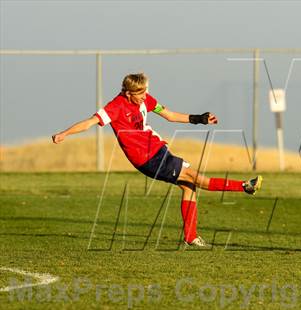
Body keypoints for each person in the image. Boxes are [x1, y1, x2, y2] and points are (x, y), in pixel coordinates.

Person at [52, 72, 263, 247]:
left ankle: (191, 237)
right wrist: (64, 133)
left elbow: (169, 115)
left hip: (158, 150)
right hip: (147, 158)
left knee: (189, 187)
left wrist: (198, 118)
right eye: (140, 93)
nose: (145, 96)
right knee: (196, 177)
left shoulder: (146, 99)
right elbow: (89, 123)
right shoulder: (115, 107)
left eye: (145, 91)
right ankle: (245, 186)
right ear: (127, 93)